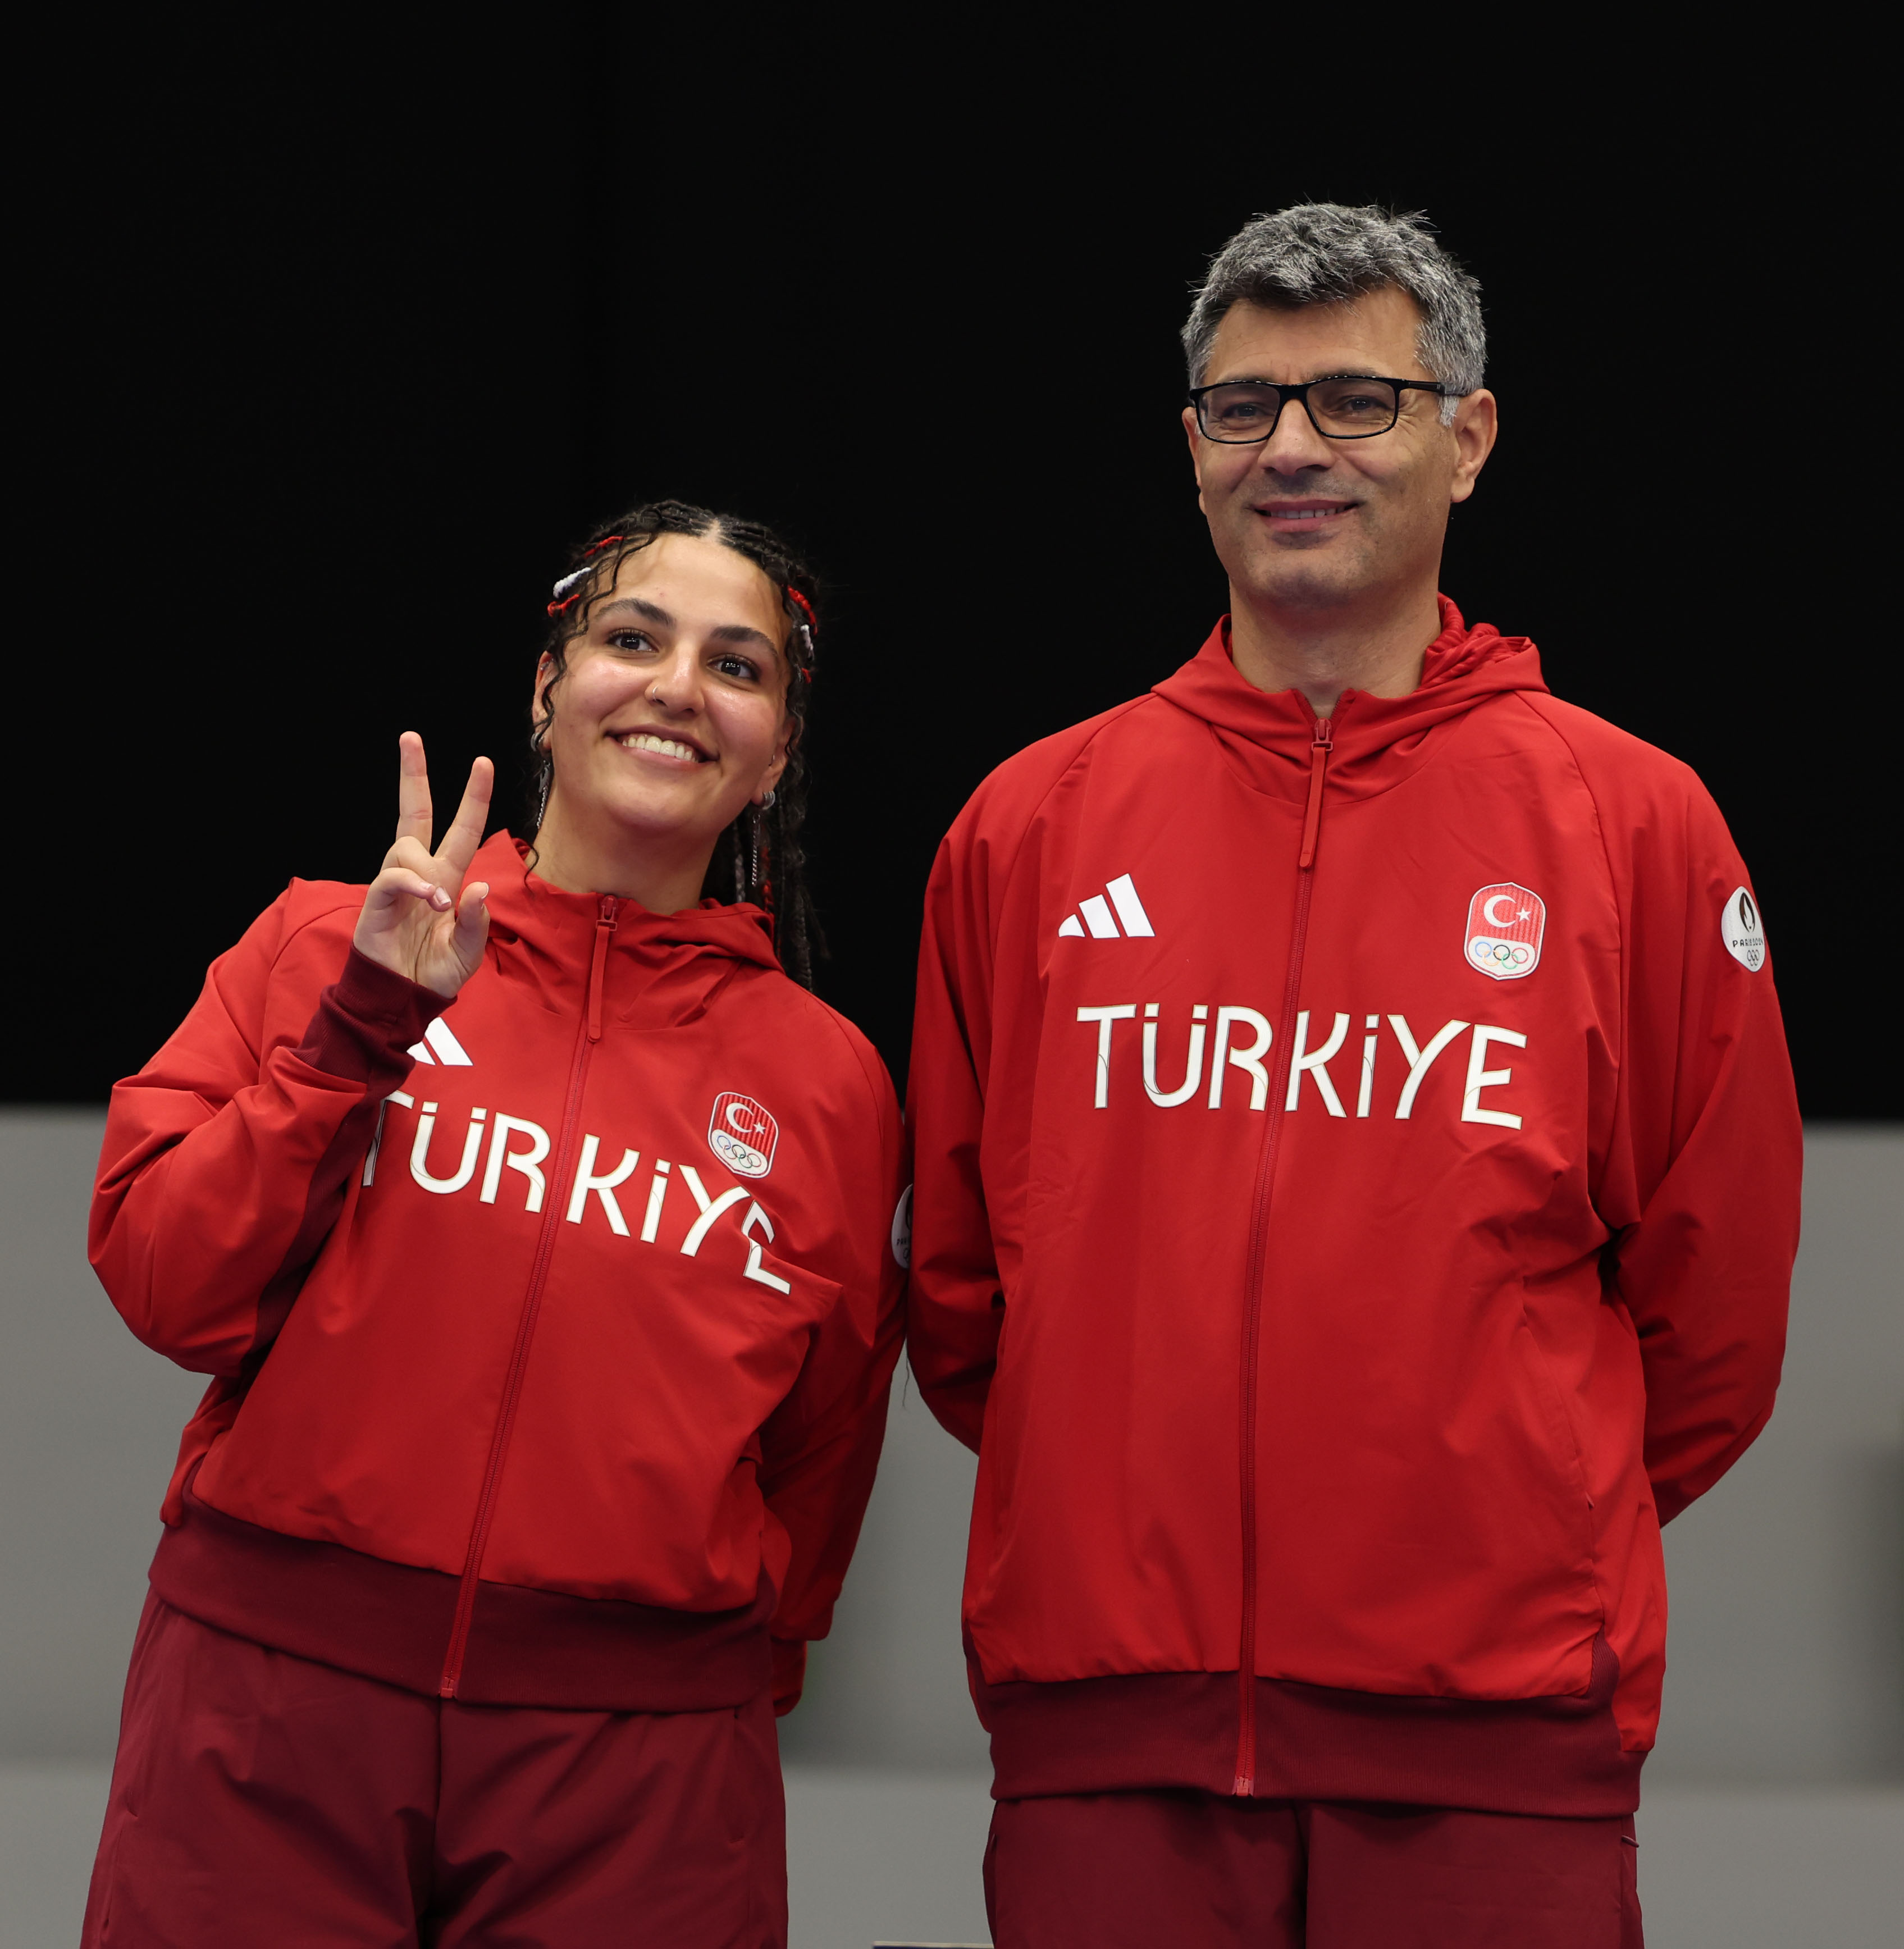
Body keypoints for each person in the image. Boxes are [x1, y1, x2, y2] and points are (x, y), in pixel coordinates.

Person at [905, 204, 1799, 1948]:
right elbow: (962, 1295)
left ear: (1467, 438)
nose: (1294, 448)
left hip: (1496, 1744)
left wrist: (1504, 1507)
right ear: (1191, 451)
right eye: (1243, 409)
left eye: (1356, 402)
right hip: (1111, 1733)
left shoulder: (1634, 825)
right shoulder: (1029, 827)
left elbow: (1718, 1315)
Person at [84, 500, 907, 1947]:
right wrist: (364, 1024)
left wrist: (657, 1656)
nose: (674, 688)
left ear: (780, 745)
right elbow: (167, 1281)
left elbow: (819, 1456)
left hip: (637, 1773)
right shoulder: (320, 943)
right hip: (271, 1714)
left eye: (738, 665)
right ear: (548, 688)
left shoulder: (830, 1085)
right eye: (632, 638)